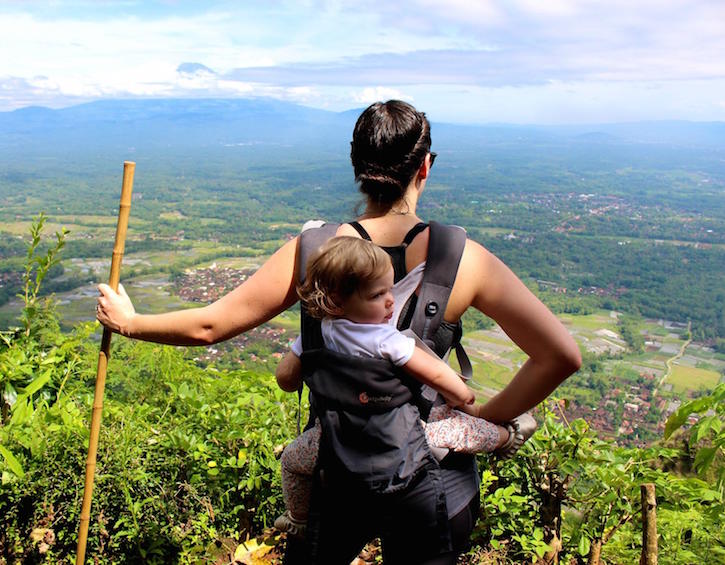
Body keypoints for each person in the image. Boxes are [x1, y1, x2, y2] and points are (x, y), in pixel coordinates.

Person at [96, 100, 581, 564]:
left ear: (357, 166)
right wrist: (483, 419)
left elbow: (209, 326)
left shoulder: (314, 252)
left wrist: (129, 322)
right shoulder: (464, 259)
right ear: (425, 168)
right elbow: (560, 355)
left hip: (338, 467)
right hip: (434, 481)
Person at [273, 235, 537, 539]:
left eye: (390, 289)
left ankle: (298, 518)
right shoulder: (387, 340)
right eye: (377, 294)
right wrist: (463, 395)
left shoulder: (316, 333)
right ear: (336, 299)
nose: (389, 300)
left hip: (332, 440)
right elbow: (436, 374)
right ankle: (507, 436)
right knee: (453, 430)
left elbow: (285, 378)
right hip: (396, 441)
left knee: (293, 461)